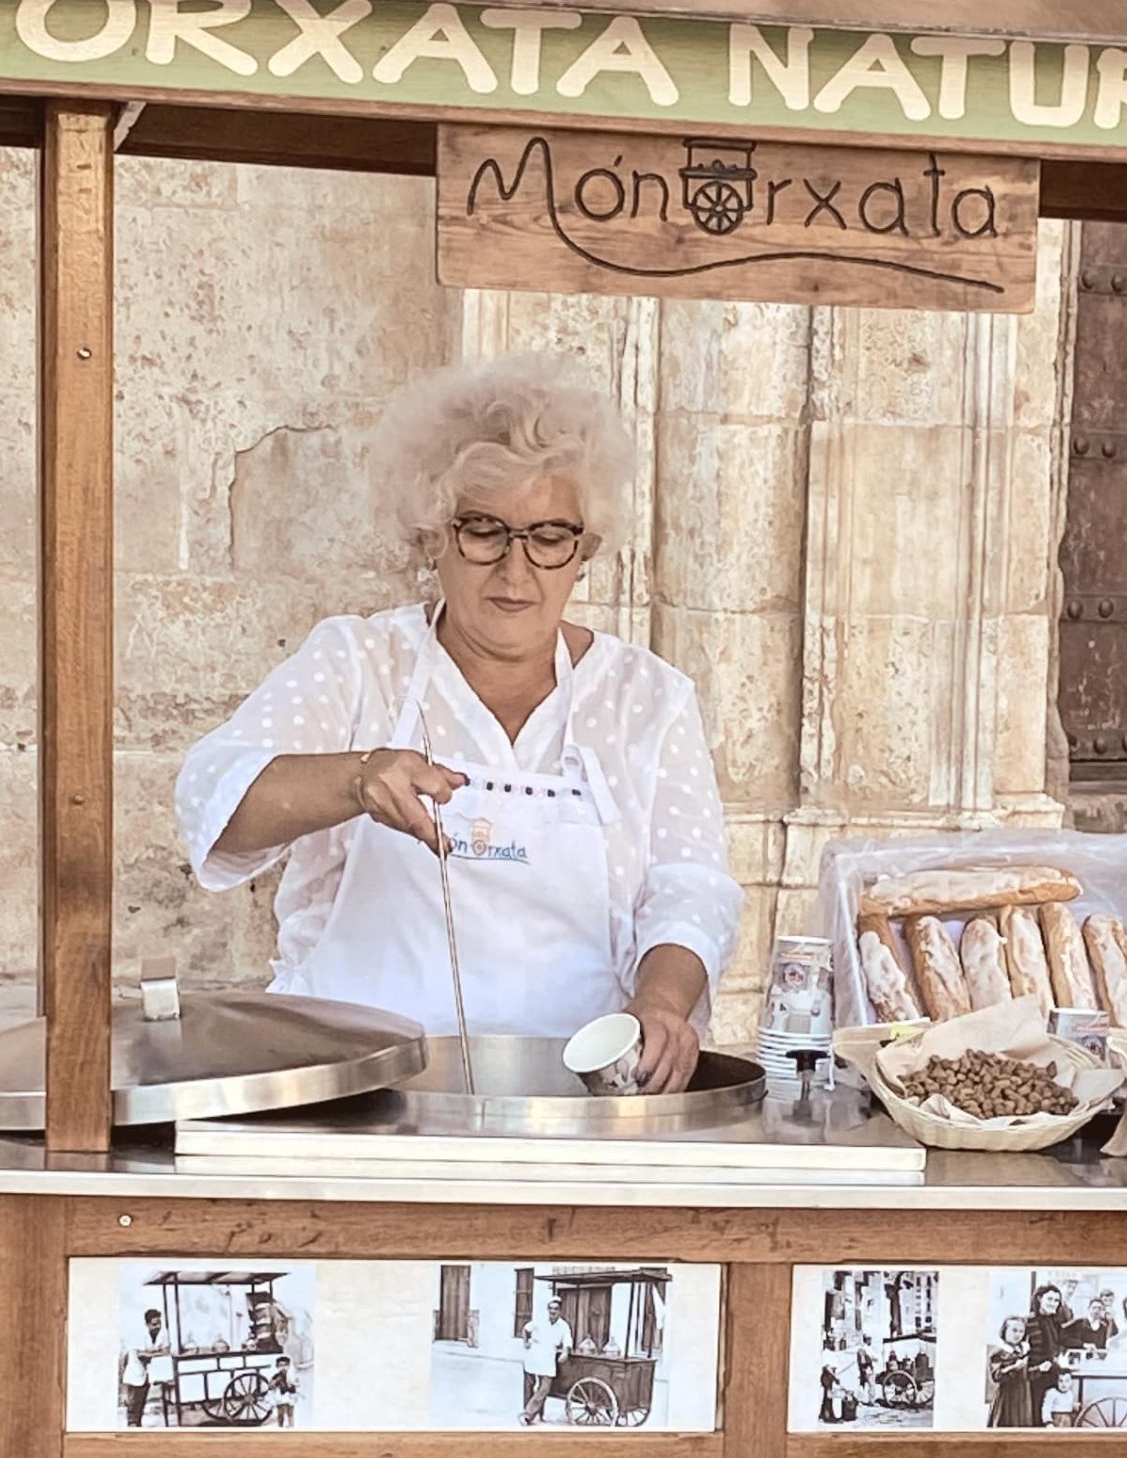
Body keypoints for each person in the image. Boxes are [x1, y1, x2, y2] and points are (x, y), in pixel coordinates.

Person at [175, 353, 744, 1092]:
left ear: (584, 551)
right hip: (358, 1096)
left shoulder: (647, 697)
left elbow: (691, 884)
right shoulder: (358, 663)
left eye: (548, 537)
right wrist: (353, 779)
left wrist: (664, 1002)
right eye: (484, 531)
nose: (516, 571)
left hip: (578, 1105)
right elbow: (213, 796)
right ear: (433, 536)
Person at [520, 1297, 571, 1425]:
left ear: (560, 1311)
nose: (553, 1311)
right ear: (548, 1310)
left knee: (544, 1388)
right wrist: (525, 1342)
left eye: (556, 1309)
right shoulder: (539, 1321)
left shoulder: (563, 1326)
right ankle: (531, 1414)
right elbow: (526, 1329)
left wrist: (565, 1352)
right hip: (533, 1355)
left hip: (548, 1358)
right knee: (529, 1387)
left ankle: (528, 1413)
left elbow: (567, 1342)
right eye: (551, 1309)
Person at [122, 1305, 170, 1428]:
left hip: (148, 1370)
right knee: (134, 1401)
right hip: (136, 1370)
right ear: (147, 1324)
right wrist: (156, 1353)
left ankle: (137, 1424)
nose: (158, 1326)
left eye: (159, 1323)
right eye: (154, 1324)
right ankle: (132, 1424)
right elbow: (141, 1355)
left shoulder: (163, 1333)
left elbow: (166, 1350)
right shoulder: (139, 1334)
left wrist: (153, 1354)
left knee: (142, 1399)